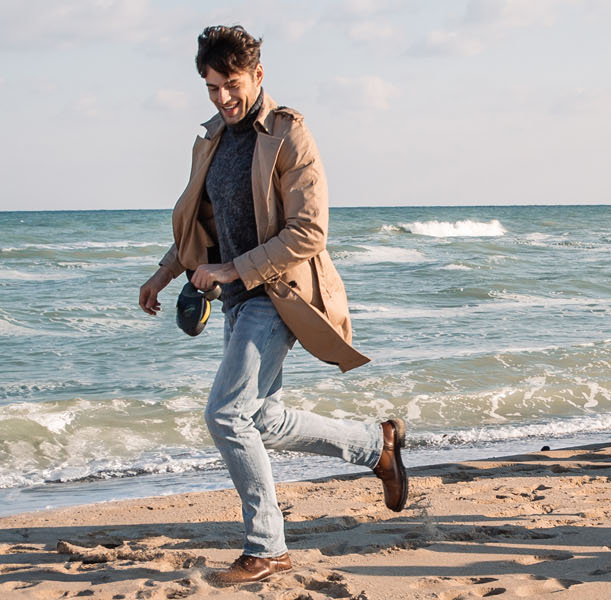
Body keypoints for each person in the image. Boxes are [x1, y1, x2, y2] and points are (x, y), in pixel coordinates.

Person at [135, 25, 409, 585]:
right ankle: (374, 445)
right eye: (212, 87)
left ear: (257, 75)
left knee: (225, 415)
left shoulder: (289, 135)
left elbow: (309, 231)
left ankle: (267, 548)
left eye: (231, 84)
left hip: (279, 296)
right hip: (237, 300)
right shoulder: (211, 139)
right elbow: (201, 225)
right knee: (264, 418)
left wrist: (233, 269)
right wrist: (164, 274)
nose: (222, 98)